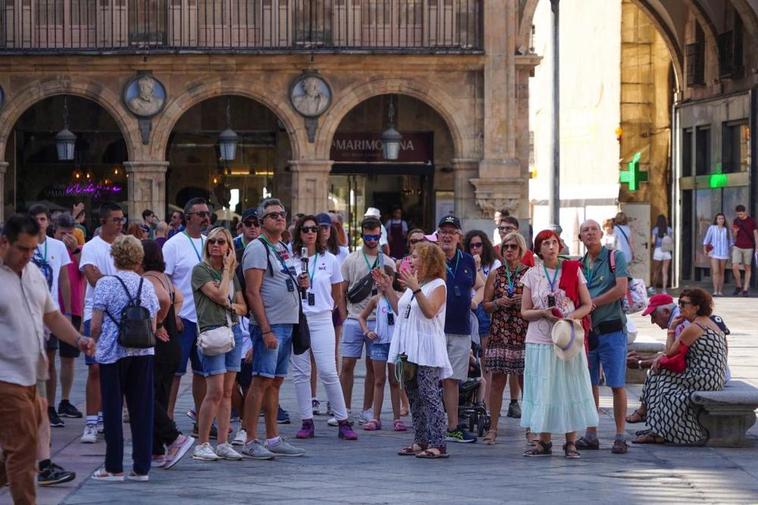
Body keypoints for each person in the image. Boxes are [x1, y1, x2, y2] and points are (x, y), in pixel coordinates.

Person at [0, 214, 94, 504]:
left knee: (12, 452)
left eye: (33, 249)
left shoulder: (33, 273)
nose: (29, 256)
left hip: (33, 376)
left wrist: (78, 339)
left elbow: (51, 315)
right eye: (23, 249)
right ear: (4, 243)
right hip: (6, 378)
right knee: (25, 450)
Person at [519, 229, 596, 459]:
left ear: (559, 246)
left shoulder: (573, 269)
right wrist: (543, 312)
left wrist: (568, 318)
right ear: (539, 249)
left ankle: (570, 441)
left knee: (568, 386)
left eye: (553, 242)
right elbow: (524, 312)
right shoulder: (532, 275)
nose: (551, 247)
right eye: (545, 244)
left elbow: (587, 304)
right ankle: (543, 440)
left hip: (567, 336)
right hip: (540, 338)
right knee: (543, 388)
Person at [89, 235, 158, 481]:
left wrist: (92, 343)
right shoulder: (146, 285)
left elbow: (96, 324)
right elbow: (153, 322)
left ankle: (113, 466)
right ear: (139, 258)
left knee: (112, 410)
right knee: (142, 410)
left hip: (112, 353)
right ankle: (141, 468)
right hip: (143, 353)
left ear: (115, 256)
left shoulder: (106, 284)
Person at [241, 198, 305, 458]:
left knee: (276, 382)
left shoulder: (281, 246)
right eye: (272, 215)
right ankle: (250, 439)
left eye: (282, 214)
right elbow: (252, 292)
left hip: (286, 322)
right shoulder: (258, 248)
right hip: (270, 325)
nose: (279, 218)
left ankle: (272, 436)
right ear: (262, 221)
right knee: (260, 380)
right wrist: (265, 329)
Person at [290, 216, 357, 440]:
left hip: (321, 318)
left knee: (328, 370)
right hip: (298, 319)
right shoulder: (292, 260)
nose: (310, 233)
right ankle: (307, 420)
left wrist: (341, 316)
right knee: (301, 372)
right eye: (305, 229)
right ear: (299, 233)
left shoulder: (330, 259)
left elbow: (338, 292)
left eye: (314, 229)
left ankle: (342, 420)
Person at [632, 288, 727, 445]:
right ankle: (656, 428)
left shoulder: (695, 327)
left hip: (704, 377)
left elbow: (669, 352)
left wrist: (671, 330)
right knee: (658, 376)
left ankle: (661, 431)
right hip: (712, 376)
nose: (680, 307)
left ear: (696, 307)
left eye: (684, 304)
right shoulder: (707, 322)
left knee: (661, 382)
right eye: (679, 303)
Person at [386, 242, 452, 459]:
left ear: (428, 261)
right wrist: (387, 289)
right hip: (409, 344)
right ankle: (420, 439)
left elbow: (430, 311)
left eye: (415, 257)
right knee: (413, 393)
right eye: (411, 257)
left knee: (429, 393)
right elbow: (402, 311)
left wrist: (415, 288)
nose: (411, 260)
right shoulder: (415, 283)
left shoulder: (437, 285)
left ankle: (438, 443)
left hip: (427, 346)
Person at [191, 227, 248, 461]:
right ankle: (202, 443)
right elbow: (220, 295)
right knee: (213, 391)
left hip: (232, 331)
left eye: (221, 242)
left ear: (228, 247)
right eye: (212, 241)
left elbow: (242, 306)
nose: (215, 245)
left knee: (227, 392)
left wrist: (232, 306)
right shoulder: (200, 270)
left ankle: (223, 442)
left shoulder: (232, 274)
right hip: (212, 331)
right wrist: (226, 269)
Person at [576, 219, 630, 454]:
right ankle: (591, 433)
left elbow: (621, 289)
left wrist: (592, 303)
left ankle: (620, 435)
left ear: (601, 234)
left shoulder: (614, 257)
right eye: (585, 230)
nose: (590, 233)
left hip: (612, 330)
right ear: (580, 238)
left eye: (593, 229)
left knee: (617, 384)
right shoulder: (578, 264)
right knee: (589, 384)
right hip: (588, 333)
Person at [140, 240, 195, 469]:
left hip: (161, 344)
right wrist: (173, 316)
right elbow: (178, 297)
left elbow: (163, 299)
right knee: (158, 396)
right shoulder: (163, 277)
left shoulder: (149, 279)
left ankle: (174, 438)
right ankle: (156, 451)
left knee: (145, 397)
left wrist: (160, 322)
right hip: (172, 344)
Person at [340, 216, 396, 425]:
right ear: (361, 234)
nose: (371, 240)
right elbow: (343, 288)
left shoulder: (388, 262)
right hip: (354, 318)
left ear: (380, 235)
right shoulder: (351, 259)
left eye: (374, 236)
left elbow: (392, 290)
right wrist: (343, 313)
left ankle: (367, 409)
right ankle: (343, 408)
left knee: (374, 367)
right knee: (347, 364)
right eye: (367, 236)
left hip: (378, 320)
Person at [162, 198, 210, 431]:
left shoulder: (209, 242)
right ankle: (168, 419)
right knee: (176, 371)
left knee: (202, 372)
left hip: (205, 318)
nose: (205, 217)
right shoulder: (174, 245)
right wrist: (172, 314)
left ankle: (202, 419)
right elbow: (163, 280)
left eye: (207, 213)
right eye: (200, 213)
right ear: (187, 217)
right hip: (182, 318)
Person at [79, 202, 124, 444]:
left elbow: (134, 272)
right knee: (94, 368)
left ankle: (109, 416)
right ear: (104, 221)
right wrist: (118, 284)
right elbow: (92, 277)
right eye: (116, 219)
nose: (120, 224)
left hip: (120, 315)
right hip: (94, 311)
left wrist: (111, 283)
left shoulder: (125, 245)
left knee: (115, 368)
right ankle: (91, 421)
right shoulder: (91, 247)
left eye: (122, 220)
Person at [437, 215, 484, 443]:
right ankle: (431, 425)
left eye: (452, 231)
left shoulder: (467, 260)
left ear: (459, 237)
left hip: (461, 328)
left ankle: (453, 426)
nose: (447, 235)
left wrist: (475, 302)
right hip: (434, 328)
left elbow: (482, 285)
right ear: (437, 235)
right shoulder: (432, 258)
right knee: (429, 378)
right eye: (443, 231)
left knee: (453, 379)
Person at [481, 231, 529, 445]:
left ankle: (531, 427)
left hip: (522, 333)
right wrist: (500, 302)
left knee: (526, 382)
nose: (509, 250)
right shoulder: (496, 274)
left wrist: (523, 301)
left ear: (521, 250)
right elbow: (486, 305)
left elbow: (537, 303)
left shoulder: (530, 273)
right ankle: (493, 428)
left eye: (514, 247)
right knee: (497, 382)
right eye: (506, 246)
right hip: (500, 331)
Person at [28, 204, 74, 430]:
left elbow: (64, 279)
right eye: (36, 219)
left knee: (51, 360)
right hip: (29, 312)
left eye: (43, 219)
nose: (40, 223)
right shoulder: (25, 245)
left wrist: (65, 310)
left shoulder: (57, 246)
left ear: (49, 222)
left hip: (51, 309)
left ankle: (51, 407)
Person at [50, 213, 86, 421]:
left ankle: (64, 400)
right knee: (48, 359)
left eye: (70, 233)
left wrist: (74, 249)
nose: (67, 237)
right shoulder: (48, 249)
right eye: (63, 233)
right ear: (55, 232)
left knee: (68, 359)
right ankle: (49, 404)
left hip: (73, 310)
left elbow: (85, 268)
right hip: (52, 309)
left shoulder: (79, 249)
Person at [463, 230, 501, 416]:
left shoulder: (494, 264)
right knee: (469, 358)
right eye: (472, 246)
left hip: (483, 310)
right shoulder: (463, 261)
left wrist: (477, 269)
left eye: (479, 245)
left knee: (485, 360)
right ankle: (468, 399)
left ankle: (484, 404)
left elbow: (490, 289)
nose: (475, 249)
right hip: (466, 309)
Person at [731, 204, 757, 297]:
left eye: (741, 214)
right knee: (734, 266)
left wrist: (757, 247)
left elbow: (755, 234)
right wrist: (735, 231)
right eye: (738, 214)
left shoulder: (751, 221)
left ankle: (745, 289)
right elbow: (734, 236)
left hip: (748, 247)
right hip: (737, 246)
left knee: (747, 267)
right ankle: (738, 285)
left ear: (745, 212)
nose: (739, 216)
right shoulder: (736, 221)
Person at [703, 213, 732, 296]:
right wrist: (705, 250)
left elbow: (731, 242)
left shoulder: (727, 229)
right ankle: (715, 291)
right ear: (716, 220)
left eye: (722, 218)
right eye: (719, 218)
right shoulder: (712, 228)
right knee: (715, 272)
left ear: (724, 220)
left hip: (724, 253)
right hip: (714, 253)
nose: (721, 220)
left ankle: (720, 291)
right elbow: (706, 239)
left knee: (722, 272)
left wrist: (731, 251)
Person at [651, 215, 673, 294]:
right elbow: (671, 241)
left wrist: (652, 246)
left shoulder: (655, 230)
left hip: (658, 250)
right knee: (665, 271)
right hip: (666, 251)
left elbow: (653, 241)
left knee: (656, 271)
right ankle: (664, 290)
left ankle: (654, 288)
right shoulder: (669, 230)